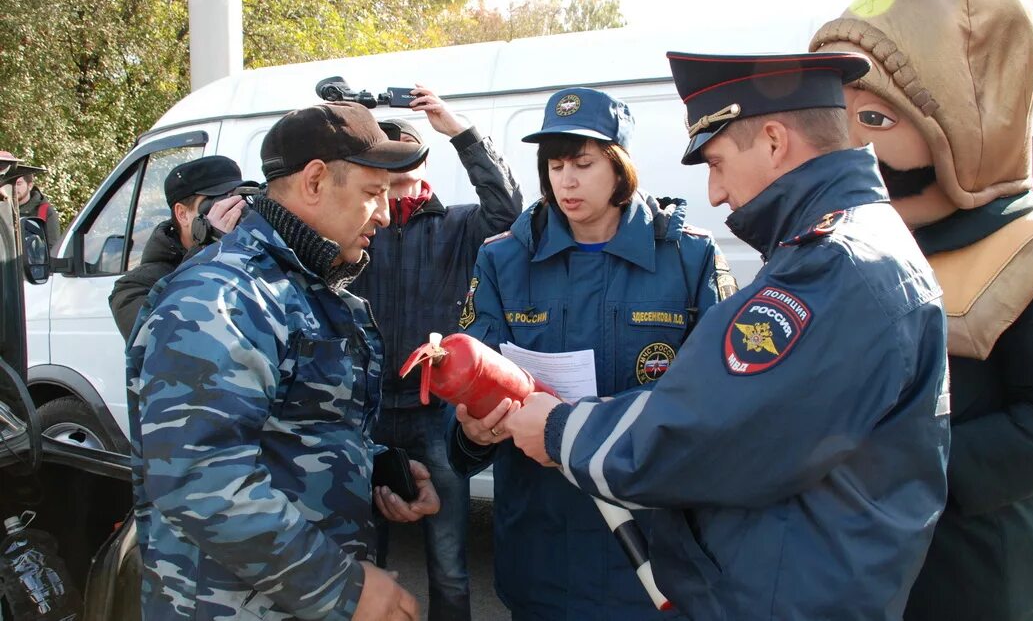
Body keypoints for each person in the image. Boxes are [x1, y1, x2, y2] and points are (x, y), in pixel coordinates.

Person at [504, 54, 951, 621]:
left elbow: (708, 428)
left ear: (773, 141)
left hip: (786, 593)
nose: (714, 193)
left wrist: (557, 427)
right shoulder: (858, 243)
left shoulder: (831, 266)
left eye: (716, 162)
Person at [810, 0, 1033, 620]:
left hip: (969, 575)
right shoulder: (852, 239)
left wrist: (887, 463)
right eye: (843, 119)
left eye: (877, 121)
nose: (855, 150)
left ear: (965, 116)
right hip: (856, 571)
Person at [127, 101, 440, 621]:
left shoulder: (302, 284)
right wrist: (343, 589)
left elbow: (293, 424)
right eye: (372, 194)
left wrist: (377, 468)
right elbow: (201, 477)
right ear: (315, 181)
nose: (385, 215)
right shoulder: (222, 296)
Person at [447, 87, 736, 620]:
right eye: (555, 165)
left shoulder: (689, 256)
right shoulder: (506, 259)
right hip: (541, 547)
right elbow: (475, 377)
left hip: (651, 551)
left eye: (583, 163)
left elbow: (723, 399)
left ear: (621, 167)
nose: (567, 181)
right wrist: (471, 428)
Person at [348, 86, 522, 621]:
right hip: (366, 413)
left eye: (403, 181)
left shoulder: (459, 225)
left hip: (436, 415)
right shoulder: (357, 229)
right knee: (358, 557)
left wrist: (460, 131)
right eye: (384, 184)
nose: (393, 197)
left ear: (423, 174)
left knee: (448, 562)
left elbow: (508, 210)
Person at [109, 154, 252, 340]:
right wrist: (208, 249)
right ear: (182, 214)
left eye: (236, 199)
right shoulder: (133, 288)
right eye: (216, 203)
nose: (231, 210)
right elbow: (163, 339)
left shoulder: (251, 258)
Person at [13, 169, 60, 250]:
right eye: (11, 184)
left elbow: (52, 249)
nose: (14, 188)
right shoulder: (3, 209)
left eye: (18, 184)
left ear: (30, 185)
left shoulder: (44, 211)